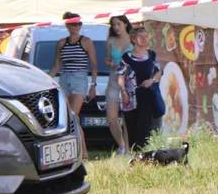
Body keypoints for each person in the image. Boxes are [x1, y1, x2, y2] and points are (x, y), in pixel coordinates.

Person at [49, 12, 97, 157]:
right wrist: (45, 78)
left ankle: (83, 152)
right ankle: (75, 150)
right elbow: (57, 65)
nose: (77, 26)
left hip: (80, 77)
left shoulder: (86, 41)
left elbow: (94, 65)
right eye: (73, 24)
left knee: (73, 114)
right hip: (64, 77)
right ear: (67, 25)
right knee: (67, 116)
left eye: (79, 23)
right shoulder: (62, 43)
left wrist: (93, 84)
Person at [118, 25, 162, 153]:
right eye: (140, 36)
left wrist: (152, 80)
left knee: (146, 128)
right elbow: (120, 76)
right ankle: (134, 156)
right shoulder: (126, 57)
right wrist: (123, 91)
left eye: (146, 36)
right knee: (132, 128)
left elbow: (159, 71)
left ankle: (145, 157)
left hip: (148, 96)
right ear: (133, 39)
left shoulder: (152, 55)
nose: (144, 38)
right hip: (130, 98)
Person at [103, 15, 134, 155]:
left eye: (118, 24)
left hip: (130, 81)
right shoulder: (111, 41)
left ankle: (128, 149)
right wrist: (108, 62)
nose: (116, 27)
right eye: (114, 25)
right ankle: (121, 145)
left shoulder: (134, 39)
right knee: (111, 118)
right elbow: (108, 58)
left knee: (127, 118)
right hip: (114, 79)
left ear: (126, 24)